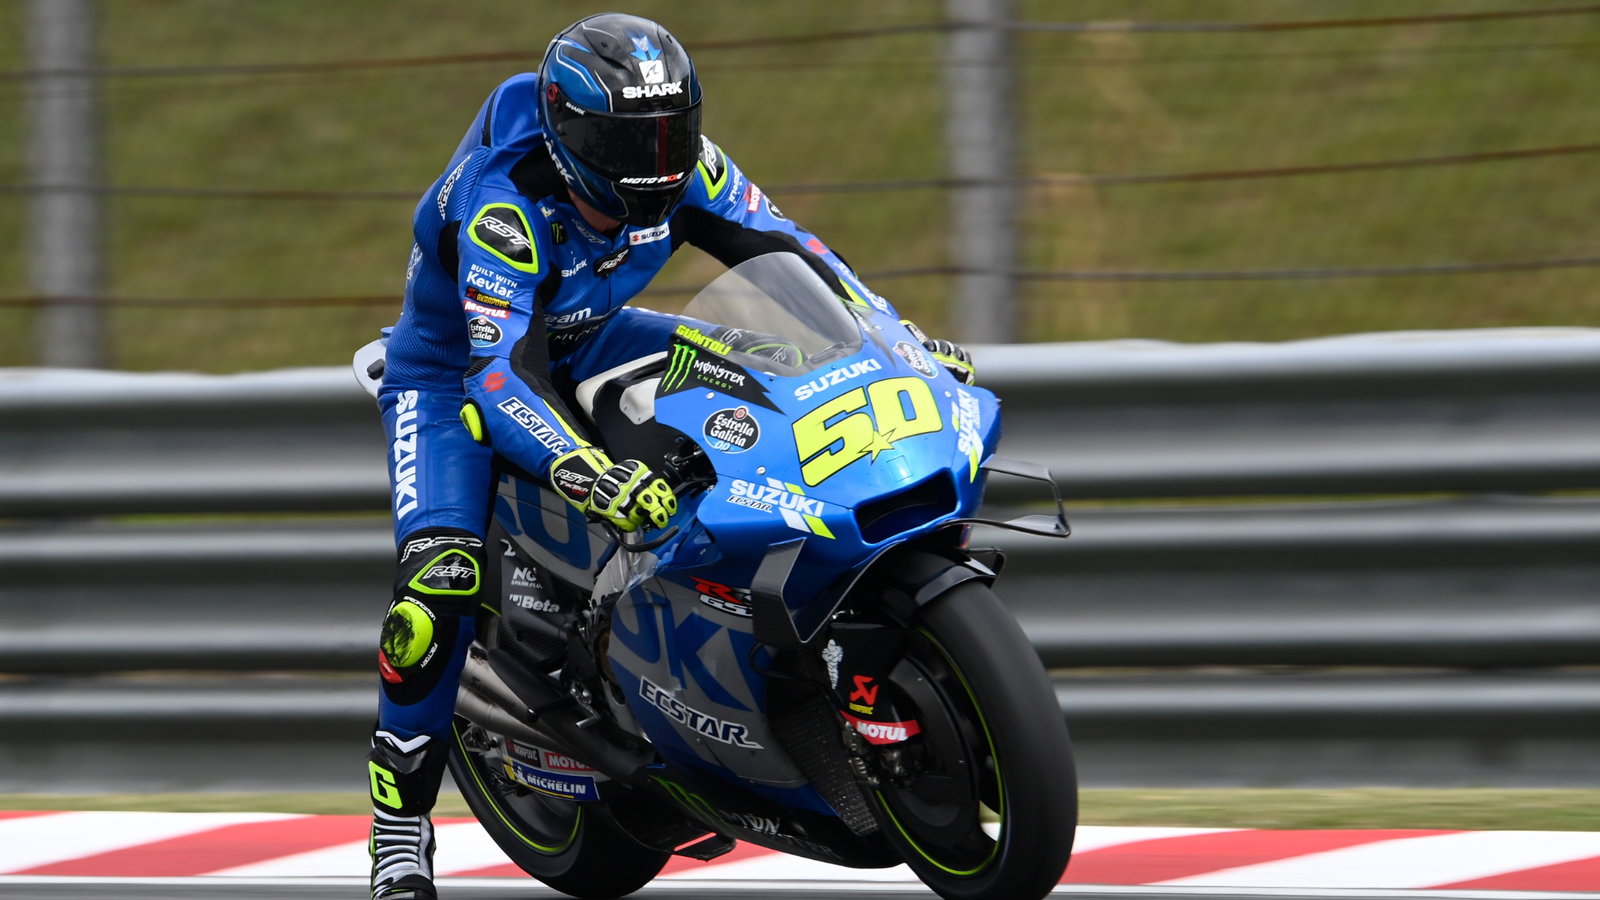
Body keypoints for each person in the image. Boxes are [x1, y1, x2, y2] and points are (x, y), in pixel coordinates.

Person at [364, 12, 976, 899]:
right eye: (626, 138)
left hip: (596, 335)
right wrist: (590, 474)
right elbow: (498, 378)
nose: (655, 157)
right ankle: (396, 831)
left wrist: (897, 342)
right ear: (572, 132)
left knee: (780, 381)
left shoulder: (689, 164)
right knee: (440, 586)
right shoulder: (505, 206)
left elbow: (791, 252)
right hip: (454, 377)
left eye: (670, 130)